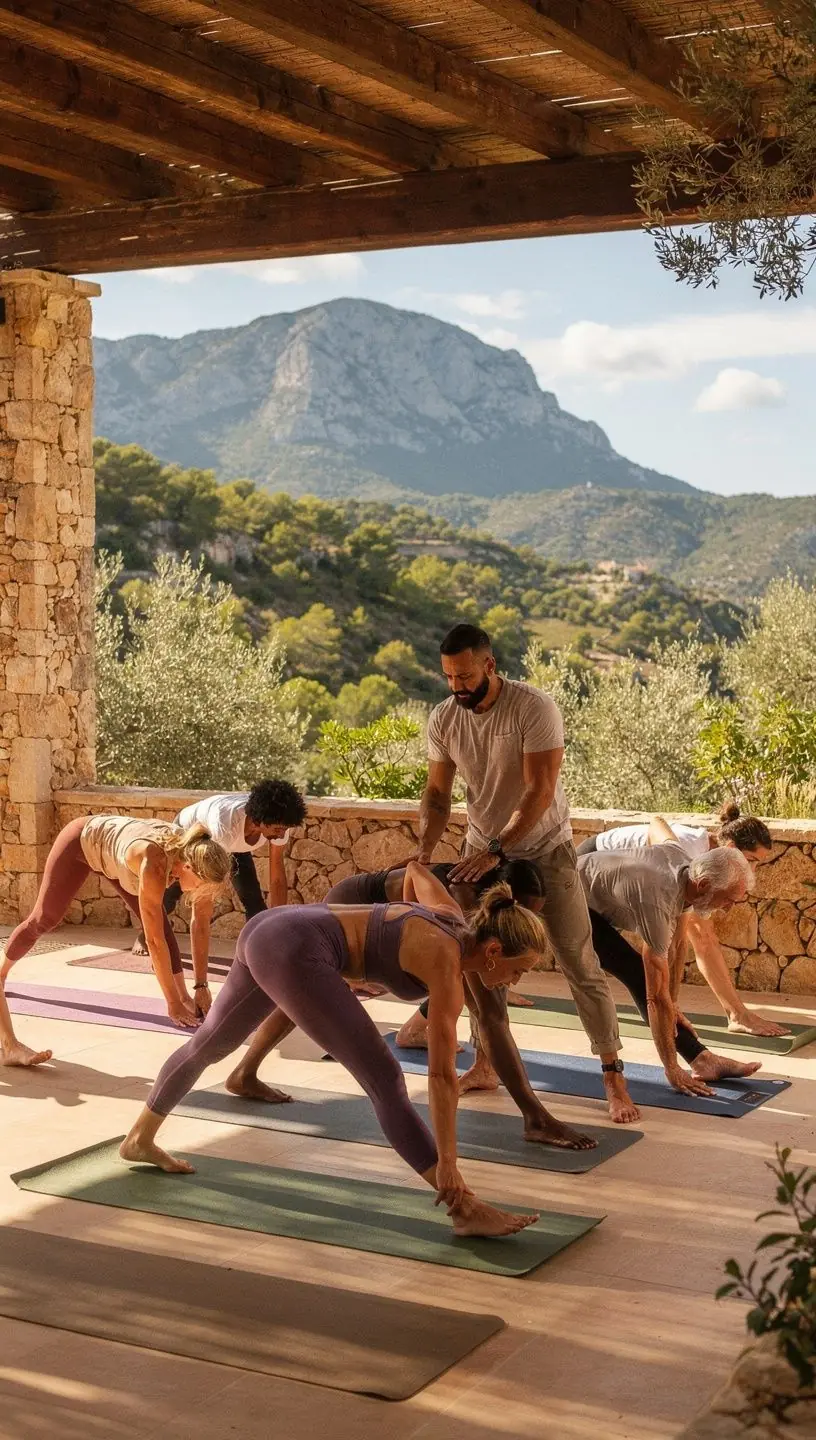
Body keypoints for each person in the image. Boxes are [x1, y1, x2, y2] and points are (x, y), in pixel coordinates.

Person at [120, 866, 548, 1239]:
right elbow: (440, 1077)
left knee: (210, 1043)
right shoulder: (446, 965)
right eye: (519, 970)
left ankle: (139, 1138)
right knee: (385, 1078)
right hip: (295, 948)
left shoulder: (450, 916)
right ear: (493, 951)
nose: (515, 981)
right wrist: (449, 1162)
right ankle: (465, 1209)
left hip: (275, 926)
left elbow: (417, 870)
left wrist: (383, 929)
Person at [407, 622, 639, 1125]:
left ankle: (614, 1077)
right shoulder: (445, 718)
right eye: (448, 677)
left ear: (489, 665)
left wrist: (497, 848)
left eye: (465, 675)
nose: (456, 686)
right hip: (480, 850)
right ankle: (485, 1063)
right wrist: (424, 849)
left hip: (544, 850)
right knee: (481, 963)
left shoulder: (534, 708)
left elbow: (539, 789)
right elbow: (438, 794)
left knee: (580, 960)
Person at [223, 859, 597, 1153]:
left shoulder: (481, 928)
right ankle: (535, 1118)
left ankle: (244, 1072)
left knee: (303, 994)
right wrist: (385, 938)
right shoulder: (462, 906)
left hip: (389, 925)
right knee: (304, 991)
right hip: (352, 904)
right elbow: (490, 1019)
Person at [1, 816, 231, 1065]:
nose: (198, 891)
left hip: (114, 857)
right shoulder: (154, 863)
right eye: (200, 885)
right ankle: (2, 973)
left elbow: (193, 927)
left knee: (163, 928)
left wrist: (197, 989)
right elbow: (153, 941)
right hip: (82, 841)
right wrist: (172, 1003)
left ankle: (184, 997)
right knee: (45, 919)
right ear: (188, 867)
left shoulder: (197, 854)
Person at [578, 803, 786, 1038]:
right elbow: (656, 821)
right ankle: (735, 1015)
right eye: (751, 860)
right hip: (591, 858)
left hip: (620, 885)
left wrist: (672, 1003)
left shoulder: (711, 867)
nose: (753, 870)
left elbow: (678, 943)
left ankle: (723, 1014)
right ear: (730, 848)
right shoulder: (690, 855)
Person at [577, 843, 764, 1095]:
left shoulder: (688, 869)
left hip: (596, 897)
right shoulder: (658, 900)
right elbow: (654, 997)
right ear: (704, 885)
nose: (728, 908)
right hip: (569, 899)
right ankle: (697, 1060)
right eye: (728, 899)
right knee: (638, 974)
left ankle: (703, 1060)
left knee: (658, 990)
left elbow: (676, 945)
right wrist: (672, 1068)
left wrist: (673, 1004)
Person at [132, 780, 306, 955]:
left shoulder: (280, 820)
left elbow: (276, 877)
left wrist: (277, 923)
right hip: (193, 833)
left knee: (252, 896)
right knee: (172, 892)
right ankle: (144, 934)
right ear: (259, 820)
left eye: (285, 829)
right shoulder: (224, 824)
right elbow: (203, 898)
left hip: (232, 842)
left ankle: (262, 950)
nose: (282, 834)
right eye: (278, 830)